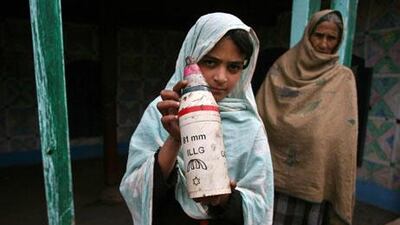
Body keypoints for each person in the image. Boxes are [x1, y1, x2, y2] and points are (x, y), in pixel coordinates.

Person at [120, 12, 274, 225]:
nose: (221, 77)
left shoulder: (249, 126)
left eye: (233, 67)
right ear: (190, 57)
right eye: (210, 62)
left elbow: (260, 204)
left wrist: (224, 199)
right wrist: (175, 139)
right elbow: (136, 189)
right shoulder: (163, 111)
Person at [255, 9, 358, 225]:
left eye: (331, 38)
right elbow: (261, 117)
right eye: (318, 35)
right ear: (308, 35)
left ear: (338, 42)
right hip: (276, 177)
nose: (323, 44)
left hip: (314, 179)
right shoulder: (282, 67)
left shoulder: (342, 79)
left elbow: (343, 136)